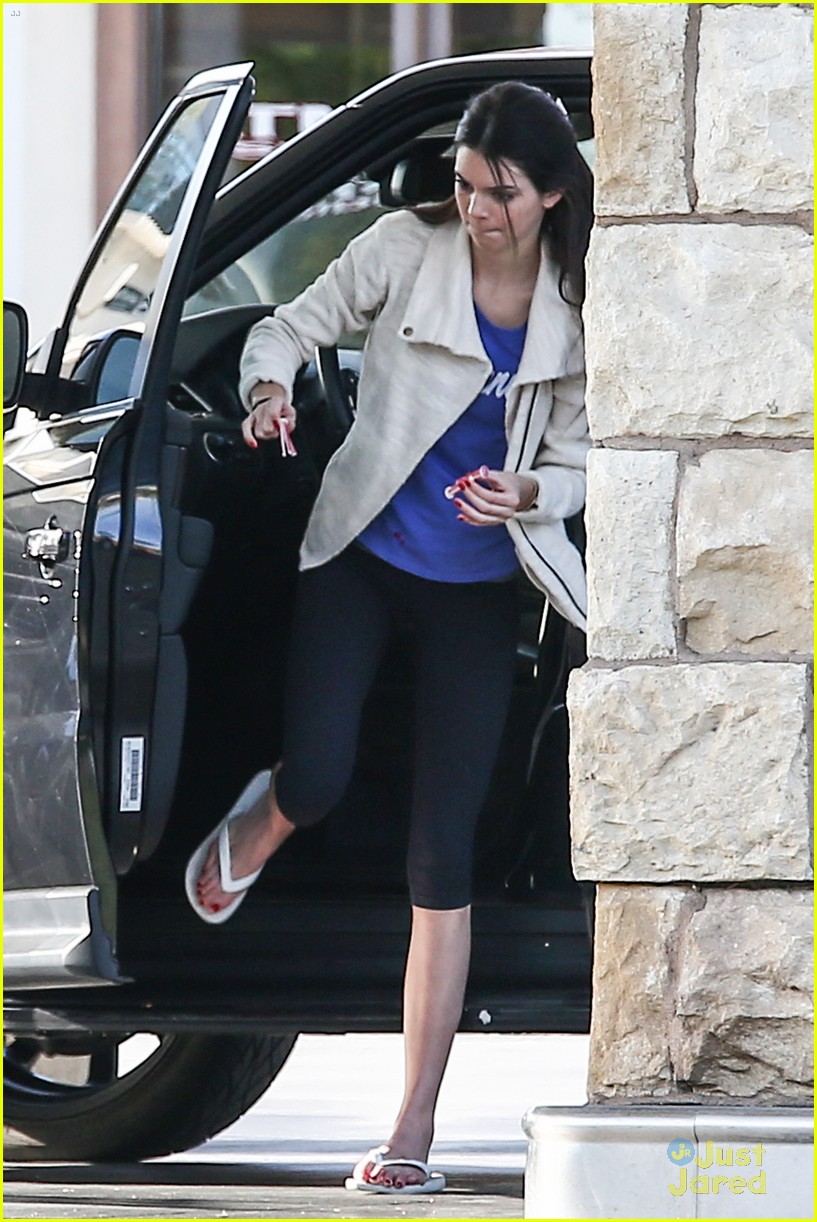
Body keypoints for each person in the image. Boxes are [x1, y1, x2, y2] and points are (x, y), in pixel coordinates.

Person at [186, 81, 593, 1195]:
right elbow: (288, 325)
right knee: (318, 776)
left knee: (441, 856)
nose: (477, 211)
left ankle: (410, 1130)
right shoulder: (404, 250)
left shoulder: (579, 305)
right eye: (463, 186)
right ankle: (268, 815)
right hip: (360, 556)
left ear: (552, 195)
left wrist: (529, 490)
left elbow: (586, 456)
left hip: (479, 588)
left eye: (501, 194)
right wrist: (267, 391)